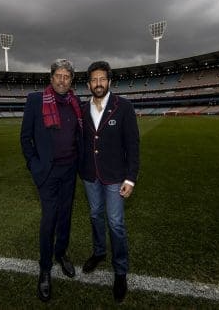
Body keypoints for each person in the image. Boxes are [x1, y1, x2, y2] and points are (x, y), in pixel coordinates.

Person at [20, 59, 83, 302]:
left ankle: (61, 253)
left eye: (67, 76)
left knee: (65, 215)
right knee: (50, 219)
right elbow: (26, 139)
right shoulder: (36, 100)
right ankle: (45, 268)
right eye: (58, 75)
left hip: (70, 170)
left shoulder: (75, 102)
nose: (62, 80)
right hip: (47, 172)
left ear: (71, 80)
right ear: (51, 77)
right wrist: (34, 166)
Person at [79, 60, 140, 303]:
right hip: (90, 175)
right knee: (95, 215)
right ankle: (99, 252)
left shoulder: (123, 107)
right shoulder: (82, 109)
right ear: (88, 84)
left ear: (109, 82)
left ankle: (120, 271)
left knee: (115, 223)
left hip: (116, 177)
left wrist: (131, 178)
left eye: (102, 79)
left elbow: (133, 146)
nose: (98, 83)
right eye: (94, 80)